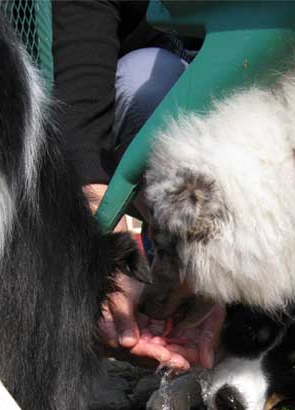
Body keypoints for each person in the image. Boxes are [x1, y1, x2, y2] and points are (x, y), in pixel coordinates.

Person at [53, 0, 225, 372]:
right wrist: (99, 245)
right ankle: (166, 243)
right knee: (149, 82)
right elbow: (81, 106)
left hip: (246, 111)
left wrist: (233, 273)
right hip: (140, 92)